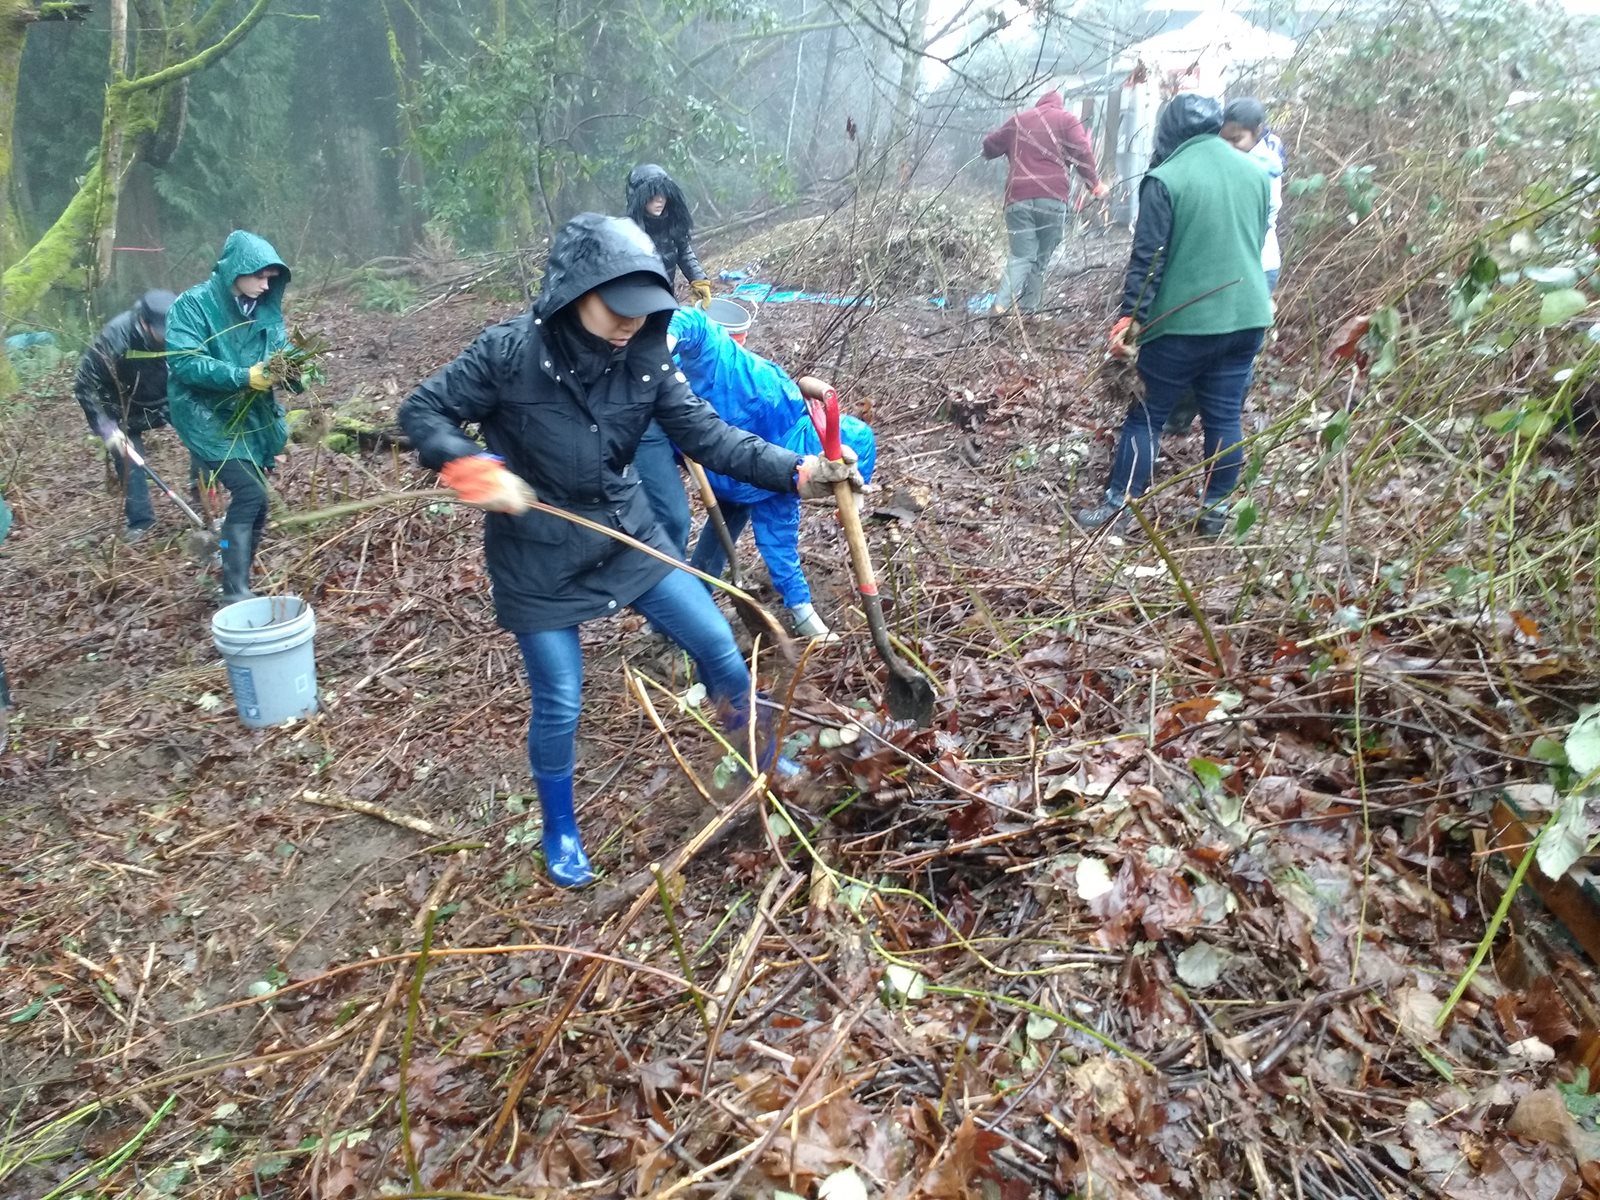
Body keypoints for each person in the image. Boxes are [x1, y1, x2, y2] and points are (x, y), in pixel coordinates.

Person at [399, 214, 862, 889]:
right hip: (537, 550)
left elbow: (708, 434)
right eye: (617, 308)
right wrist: (471, 466)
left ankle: (761, 759)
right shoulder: (507, 353)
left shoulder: (646, 355)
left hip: (624, 532)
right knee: (560, 698)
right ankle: (559, 828)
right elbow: (422, 412)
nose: (629, 323)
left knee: (718, 646)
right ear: (572, 294)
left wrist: (797, 471)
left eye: (643, 309)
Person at [1076, 93, 1272, 538]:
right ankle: (1216, 510)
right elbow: (1255, 242)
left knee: (1147, 414)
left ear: (1167, 133)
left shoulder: (1165, 178)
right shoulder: (1256, 173)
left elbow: (1148, 261)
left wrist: (1131, 320)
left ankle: (1120, 508)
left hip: (1184, 322)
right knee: (1223, 415)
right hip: (1247, 317)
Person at [666, 306, 878, 640]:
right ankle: (676, 616)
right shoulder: (764, 390)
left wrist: (802, 608)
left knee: (721, 531)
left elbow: (781, 546)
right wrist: (661, 346)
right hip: (662, 419)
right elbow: (699, 327)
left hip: (726, 478)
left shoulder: (784, 488)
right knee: (671, 524)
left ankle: (689, 611)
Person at [166, 231, 297, 604]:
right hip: (204, 417)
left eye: (271, 278)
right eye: (259, 276)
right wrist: (242, 376)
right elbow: (184, 360)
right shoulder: (193, 305)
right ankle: (233, 592)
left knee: (258, 502)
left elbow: (280, 350)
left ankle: (234, 576)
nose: (264, 284)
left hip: (249, 418)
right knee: (250, 493)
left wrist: (294, 370)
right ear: (235, 271)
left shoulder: (264, 309)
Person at [1166, 97, 1285, 435]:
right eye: (1225, 139)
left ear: (1257, 134)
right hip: (1229, 264)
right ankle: (1184, 415)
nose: (1230, 146)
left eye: (1237, 140)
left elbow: (1256, 221)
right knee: (1203, 335)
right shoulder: (1232, 163)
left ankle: (1225, 413)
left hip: (1256, 266)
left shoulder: (1265, 169)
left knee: (1236, 343)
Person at [625, 163, 713, 556]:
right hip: (635, 315)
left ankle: (670, 424)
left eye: (663, 193)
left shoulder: (672, 226)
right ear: (639, 198)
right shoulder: (628, 234)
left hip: (666, 311)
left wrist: (700, 280)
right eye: (651, 194)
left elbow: (686, 253)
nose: (658, 200)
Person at [981, 90, 1110, 316]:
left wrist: (991, 149)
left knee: (1021, 255)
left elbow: (990, 145)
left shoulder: (1019, 121)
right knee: (1039, 259)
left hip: (1017, 198)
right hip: (1052, 199)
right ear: (1058, 105)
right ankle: (1026, 311)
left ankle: (1003, 307)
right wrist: (1095, 185)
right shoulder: (1067, 120)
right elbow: (1082, 152)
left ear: (1039, 104)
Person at [74, 289, 179, 541]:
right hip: (124, 407)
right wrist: (107, 428)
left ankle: (205, 499)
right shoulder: (115, 336)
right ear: (144, 322)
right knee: (129, 458)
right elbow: (84, 384)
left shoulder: (184, 325)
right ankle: (141, 523)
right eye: (163, 334)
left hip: (169, 397)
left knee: (203, 436)